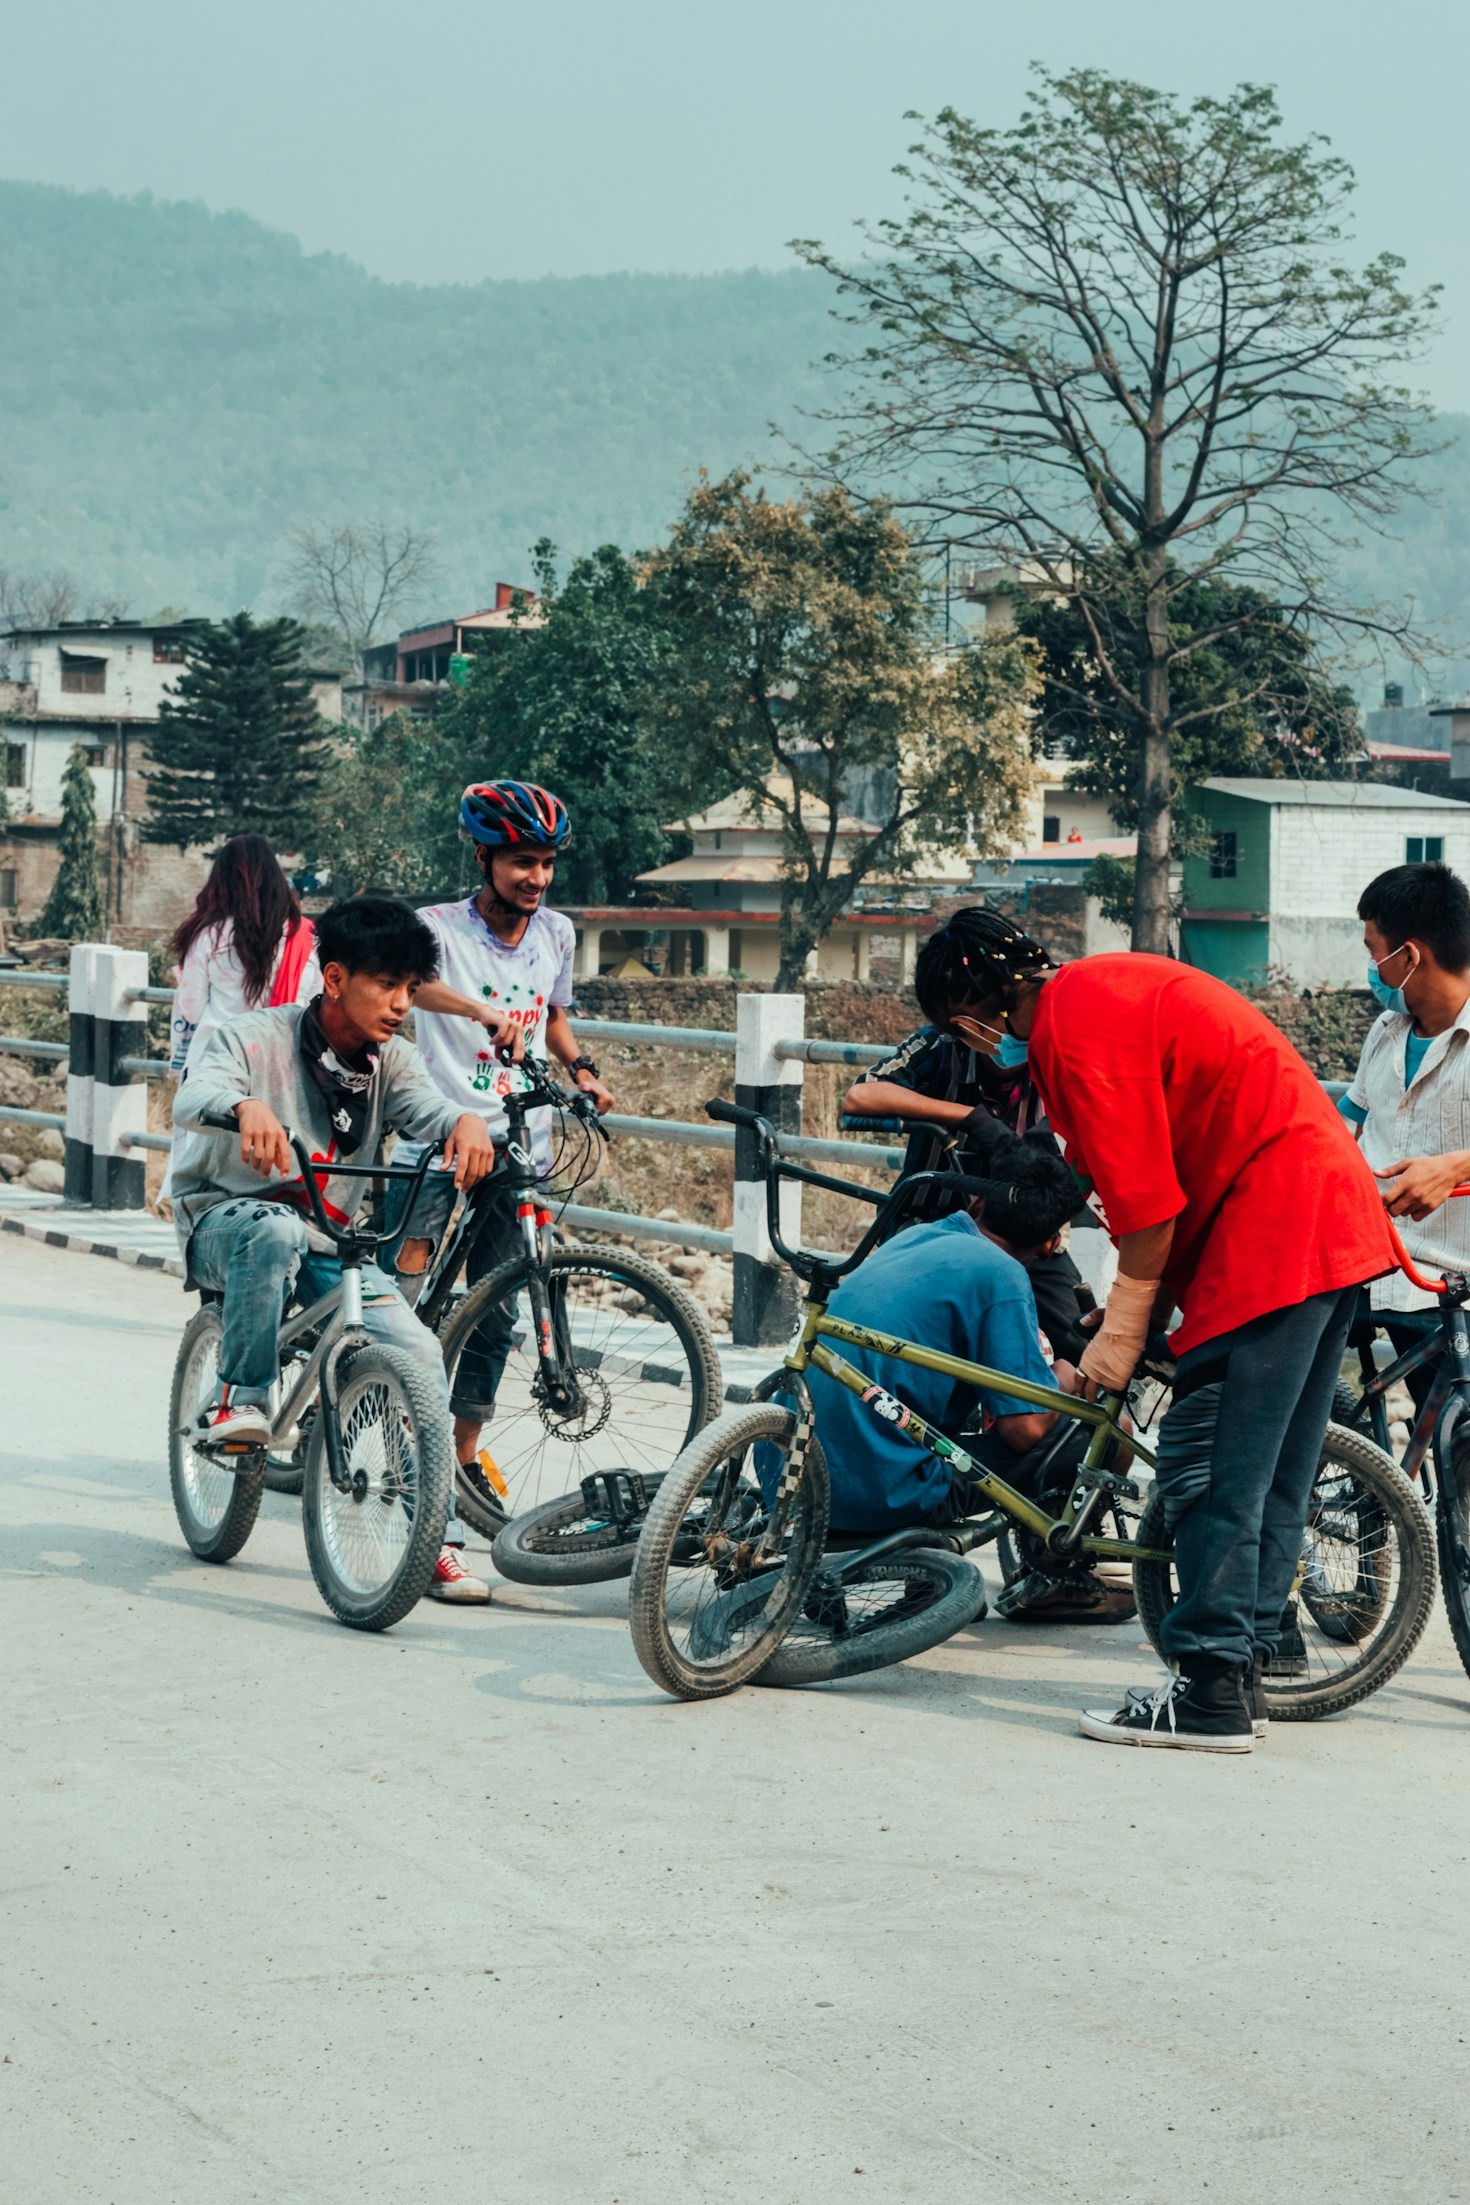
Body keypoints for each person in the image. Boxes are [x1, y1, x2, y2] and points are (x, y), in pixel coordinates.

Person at [931, 909, 1401, 1753]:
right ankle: (1245, 1667)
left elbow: (1148, 1204)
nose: (972, 1042)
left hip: (1274, 1229)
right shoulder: (1097, 993)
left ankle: (1210, 1689)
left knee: (1203, 1459)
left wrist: (1123, 1323)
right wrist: (1137, 1308)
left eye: (961, 1025)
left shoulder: (1075, 1024)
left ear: (979, 1006)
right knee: (1269, 1471)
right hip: (1322, 1220)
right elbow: (1130, 1173)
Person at [170, 895, 498, 1603]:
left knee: (418, 1351)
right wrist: (246, 1107)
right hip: (224, 1221)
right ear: (335, 977)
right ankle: (239, 1400)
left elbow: (428, 1108)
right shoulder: (255, 1037)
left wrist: (465, 1122)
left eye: (410, 987)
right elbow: (193, 1095)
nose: (401, 1003)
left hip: (326, 1237)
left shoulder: (390, 1062)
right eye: (386, 983)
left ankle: (434, 1539)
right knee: (274, 1228)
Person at [843, 909, 1131, 1622]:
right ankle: (927, 1565)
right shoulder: (942, 1051)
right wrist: (965, 1118)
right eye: (955, 1020)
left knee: (1083, 1365)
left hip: (1033, 1237)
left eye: (969, 1012)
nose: (971, 1027)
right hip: (945, 1227)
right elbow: (860, 1095)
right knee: (936, 1387)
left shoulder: (1052, 1047)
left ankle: (1056, 1558)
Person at [388, 780, 616, 1513]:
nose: (536, 878)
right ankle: (375, 1416)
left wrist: (582, 1070)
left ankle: (461, 1456)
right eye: (522, 861)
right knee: (402, 1289)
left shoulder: (557, 933)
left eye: (546, 863)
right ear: (484, 857)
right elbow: (408, 986)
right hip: (440, 1131)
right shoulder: (436, 927)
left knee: (498, 1308)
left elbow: (554, 1017)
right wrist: (482, 1011)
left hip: (522, 1140)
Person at [804, 1139, 1092, 1547]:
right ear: (1051, 1245)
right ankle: (1061, 1571)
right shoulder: (1002, 1274)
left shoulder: (916, 1236)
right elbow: (1024, 1430)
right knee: (1098, 1435)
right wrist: (1062, 1379)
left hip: (794, 1475)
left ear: (976, 1203)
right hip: (876, 1493)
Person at [1341, 861, 1470, 1408]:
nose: (1372, 967)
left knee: (1452, 1442)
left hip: (1453, 1284)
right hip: (1373, 1269)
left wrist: (1456, 1165)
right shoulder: (1386, 1030)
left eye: (1374, 952)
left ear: (1410, 956)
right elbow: (1347, 1126)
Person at [163, 835, 321, 1203]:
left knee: (206, 1173)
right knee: (270, 1171)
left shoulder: (209, 935)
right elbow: (312, 1005)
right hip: (279, 1071)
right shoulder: (305, 938)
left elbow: (191, 1009)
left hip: (216, 1068)